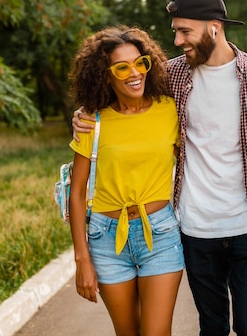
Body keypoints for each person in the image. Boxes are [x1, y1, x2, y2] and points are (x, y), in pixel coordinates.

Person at [73, 0, 247, 336]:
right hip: (194, 226)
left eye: (184, 31)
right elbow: (122, 99)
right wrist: (83, 116)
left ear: (214, 27)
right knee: (212, 327)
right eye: (175, 30)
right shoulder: (172, 75)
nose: (176, 40)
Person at [67, 26, 184, 336]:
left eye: (140, 63)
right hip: (106, 241)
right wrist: (82, 260)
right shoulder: (93, 120)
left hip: (159, 235)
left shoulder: (169, 110)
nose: (134, 73)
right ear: (105, 75)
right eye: (122, 67)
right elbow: (76, 193)